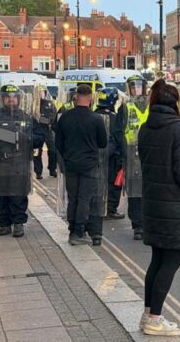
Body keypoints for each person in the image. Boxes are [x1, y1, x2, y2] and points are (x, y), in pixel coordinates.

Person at [137, 79, 180, 336]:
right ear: (175, 103)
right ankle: (155, 318)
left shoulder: (145, 128)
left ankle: (148, 314)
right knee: (171, 261)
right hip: (176, 203)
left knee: (157, 260)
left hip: (154, 200)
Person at [0, 85, 42, 237]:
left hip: (19, 164)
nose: (11, 100)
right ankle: (4, 224)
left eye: (14, 97)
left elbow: (39, 137)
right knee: (0, 195)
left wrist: (25, 139)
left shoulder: (26, 117)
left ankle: (18, 223)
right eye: (8, 97)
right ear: (2, 99)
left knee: (18, 195)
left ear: (18, 99)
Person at [56, 85, 108, 245]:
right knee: (84, 198)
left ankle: (72, 230)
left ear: (76, 97)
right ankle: (79, 232)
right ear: (91, 98)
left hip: (71, 164)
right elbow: (103, 143)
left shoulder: (65, 117)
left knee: (73, 198)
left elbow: (58, 142)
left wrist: (67, 156)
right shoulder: (96, 119)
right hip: (89, 165)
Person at [123, 74, 150, 240]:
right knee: (134, 192)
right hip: (131, 152)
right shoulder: (126, 107)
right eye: (133, 87)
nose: (136, 90)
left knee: (149, 190)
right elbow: (119, 131)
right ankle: (137, 225)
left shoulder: (151, 106)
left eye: (139, 86)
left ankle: (148, 222)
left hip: (150, 151)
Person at [94, 87, 126, 221]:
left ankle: (98, 208)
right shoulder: (114, 118)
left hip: (95, 156)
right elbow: (119, 137)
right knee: (114, 184)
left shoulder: (93, 115)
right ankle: (110, 209)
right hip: (112, 157)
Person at [32, 84, 58, 180]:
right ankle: (38, 172)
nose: (41, 94)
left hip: (48, 130)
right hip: (37, 131)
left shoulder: (50, 103)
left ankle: (52, 169)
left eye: (43, 92)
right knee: (37, 152)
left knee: (53, 150)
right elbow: (33, 117)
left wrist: (45, 120)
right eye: (39, 92)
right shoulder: (33, 104)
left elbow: (54, 116)